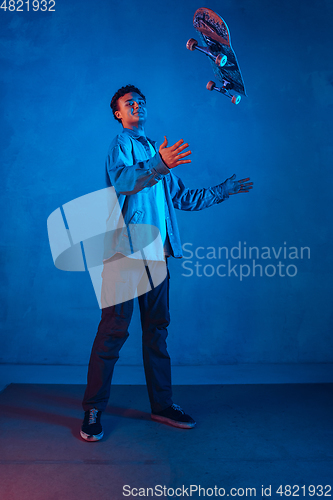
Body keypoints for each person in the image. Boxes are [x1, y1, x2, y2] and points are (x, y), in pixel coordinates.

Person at [80, 84, 253, 441]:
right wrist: (159, 163)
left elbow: (183, 198)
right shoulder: (121, 146)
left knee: (157, 333)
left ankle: (162, 405)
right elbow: (125, 181)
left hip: (156, 258)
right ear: (119, 113)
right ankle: (94, 409)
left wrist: (222, 190)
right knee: (113, 332)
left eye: (141, 101)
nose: (137, 105)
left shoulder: (157, 154)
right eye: (130, 103)